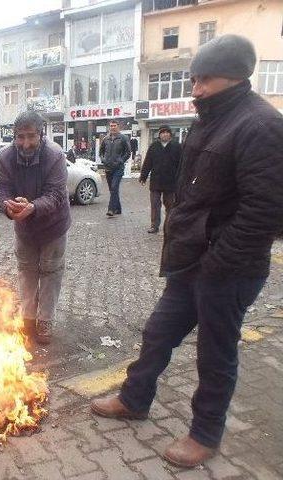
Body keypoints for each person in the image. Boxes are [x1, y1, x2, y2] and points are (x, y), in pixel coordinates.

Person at [91, 35, 283, 468]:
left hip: (227, 268)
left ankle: (205, 434)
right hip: (192, 259)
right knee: (158, 332)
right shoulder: (207, 121)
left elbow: (266, 212)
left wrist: (218, 260)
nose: (194, 89)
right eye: (193, 79)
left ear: (236, 76)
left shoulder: (262, 126)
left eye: (204, 80)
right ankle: (134, 399)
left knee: (216, 352)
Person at [0, 111, 71, 344]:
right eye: (20, 137)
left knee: (50, 271)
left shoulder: (55, 155)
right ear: (14, 136)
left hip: (53, 225)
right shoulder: (5, 157)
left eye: (31, 136)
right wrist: (8, 207)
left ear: (41, 134)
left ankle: (45, 319)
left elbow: (56, 194)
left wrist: (33, 207)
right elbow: (1, 189)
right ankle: (28, 318)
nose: (25, 143)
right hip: (24, 225)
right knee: (26, 271)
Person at [139, 125, 182, 233]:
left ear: (170, 135)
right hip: (156, 181)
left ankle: (170, 226)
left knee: (170, 205)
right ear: (159, 134)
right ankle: (154, 225)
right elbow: (148, 162)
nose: (165, 134)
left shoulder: (177, 147)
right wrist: (143, 176)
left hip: (171, 182)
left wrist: (182, 178)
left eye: (167, 132)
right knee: (155, 204)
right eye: (162, 132)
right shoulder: (154, 146)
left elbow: (182, 164)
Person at [99, 120, 131, 217]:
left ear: (118, 126)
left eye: (114, 125)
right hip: (108, 168)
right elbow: (101, 152)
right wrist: (103, 160)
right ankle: (118, 209)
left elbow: (128, 153)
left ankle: (111, 209)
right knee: (113, 190)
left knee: (114, 188)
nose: (112, 127)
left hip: (118, 168)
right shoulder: (105, 139)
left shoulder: (123, 138)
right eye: (111, 126)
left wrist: (121, 161)